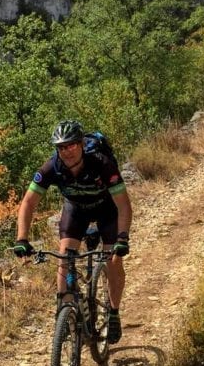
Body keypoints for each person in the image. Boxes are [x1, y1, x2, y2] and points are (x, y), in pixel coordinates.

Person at [13, 120, 132, 344]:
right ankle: (65, 312)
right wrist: (22, 238)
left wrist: (122, 238)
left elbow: (124, 205)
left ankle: (113, 313)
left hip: (108, 211)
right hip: (76, 212)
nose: (66, 151)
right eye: (61, 147)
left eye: (71, 146)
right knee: (65, 257)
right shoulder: (52, 167)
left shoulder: (101, 163)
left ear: (81, 145)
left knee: (113, 260)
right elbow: (28, 203)